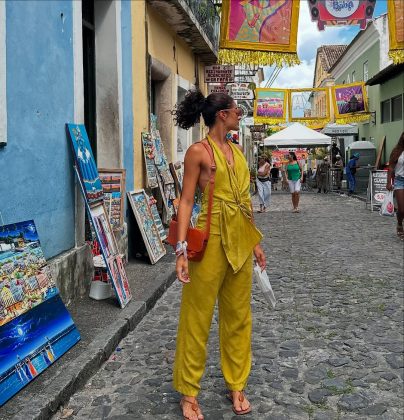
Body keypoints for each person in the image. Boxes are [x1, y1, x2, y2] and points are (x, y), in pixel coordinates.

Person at [172, 89, 266, 419]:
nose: (240, 112)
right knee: (197, 316)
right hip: (209, 237)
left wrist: (255, 243)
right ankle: (188, 391)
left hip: (240, 238)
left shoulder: (239, 153)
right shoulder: (198, 152)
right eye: (235, 109)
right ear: (221, 115)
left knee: (239, 316)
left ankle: (236, 383)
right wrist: (181, 250)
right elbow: (185, 201)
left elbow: (245, 201)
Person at [386, 132, 404, 239]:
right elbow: (391, 168)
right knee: (402, 209)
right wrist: (389, 182)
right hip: (400, 181)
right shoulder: (397, 151)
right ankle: (399, 223)